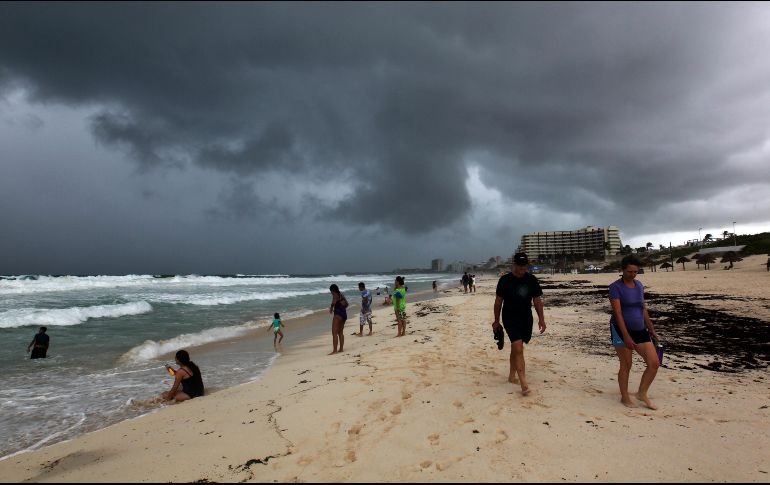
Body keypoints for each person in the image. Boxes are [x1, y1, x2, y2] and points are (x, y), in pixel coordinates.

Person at [610, 255, 660, 410]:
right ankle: (625, 397)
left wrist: (651, 328)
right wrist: (626, 336)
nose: (632, 275)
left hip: (640, 329)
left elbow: (642, 308)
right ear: (623, 270)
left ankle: (641, 393)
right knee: (626, 365)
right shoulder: (615, 287)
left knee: (654, 363)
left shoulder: (639, 285)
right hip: (620, 330)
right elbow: (618, 313)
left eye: (635, 272)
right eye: (630, 271)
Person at [492, 253, 546, 396]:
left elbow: (537, 300)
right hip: (509, 318)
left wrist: (541, 319)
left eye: (525, 265)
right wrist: (496, 321)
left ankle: (511, 376)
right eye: (520, 265)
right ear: (514, 264)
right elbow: (498, 302)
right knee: (518, 347)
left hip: (526, 318)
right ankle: (524, 384)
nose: (523, 268)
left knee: (517, 348)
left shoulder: (531, 279)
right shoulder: (505, 280)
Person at [328, 284, 349, 354]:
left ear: (333, 290)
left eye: (331, 291)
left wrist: (331, 308)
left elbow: (333, 302)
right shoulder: (341, 295)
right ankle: (341, 349)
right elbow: (347, 304)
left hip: (338, 315)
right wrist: (341, 308)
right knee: (340, 332)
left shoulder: (335, 295)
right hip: (344, 315)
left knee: (334, 333)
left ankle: (335, 350)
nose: (331, 293)